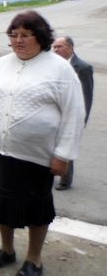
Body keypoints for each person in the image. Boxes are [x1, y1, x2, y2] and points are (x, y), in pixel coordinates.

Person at [0, 11, 85, 276]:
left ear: (40, 37)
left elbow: (74, 114)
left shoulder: (59, 69)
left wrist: (64, 155)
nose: (18, 41)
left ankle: (34, 259)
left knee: (37, 207)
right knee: (3, 201)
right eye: (13, 35)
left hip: (39, 157)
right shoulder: (0, 65)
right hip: (2, 152)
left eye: (25, 35)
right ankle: (7, 250)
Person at [52, 35, 94, 190]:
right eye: (54, 47)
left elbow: (86, 96)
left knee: (66, 147)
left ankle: (65, 180)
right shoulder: (53, 65)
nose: (56, 50)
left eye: (59, 47)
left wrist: (81, 121)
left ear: (70, 48)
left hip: (70, 115)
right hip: (54, 113)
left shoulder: (83, 67)